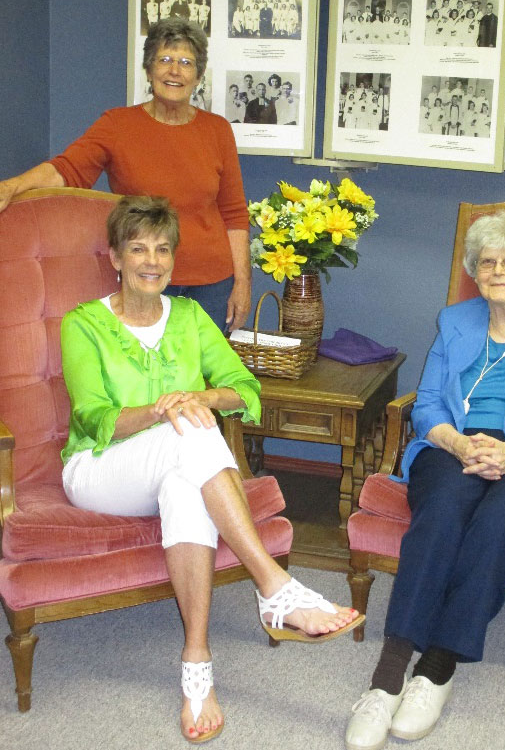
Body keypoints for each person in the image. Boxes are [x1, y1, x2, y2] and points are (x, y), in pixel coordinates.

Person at [61, 196, 362, 744]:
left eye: (162, 249)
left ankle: (196, 667)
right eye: (138, 249)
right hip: (99, 469)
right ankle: (272, 583)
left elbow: (243, 391)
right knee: (190, 431)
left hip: (177, 461)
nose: (152, 261)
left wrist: (199, 395)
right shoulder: (84, 324)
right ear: (115, 258)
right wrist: (162, 409)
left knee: (186, 479)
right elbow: (92, 417)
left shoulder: (191, 317)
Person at [345, 210, 505, 750]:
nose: (499, 270)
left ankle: (437, 666)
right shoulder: (455, 321)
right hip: (457, 444)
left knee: (500, 520)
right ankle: (389, 672)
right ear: (475, 271)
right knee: (440, 513)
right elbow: (430, 406)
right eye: (487, 261)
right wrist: (462, 444)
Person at [0, 19, 250, 333]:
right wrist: (12, 186)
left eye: (186, 62)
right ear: (149, 70)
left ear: (198, 76)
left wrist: (242, 282)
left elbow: (234, 214)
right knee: (146, 377)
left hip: (213, 287)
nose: (175, 70)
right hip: (145, 279)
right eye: (165, 60)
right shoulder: (117, 125)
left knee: (204, 379)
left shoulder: (218, 130)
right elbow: (67, 170)